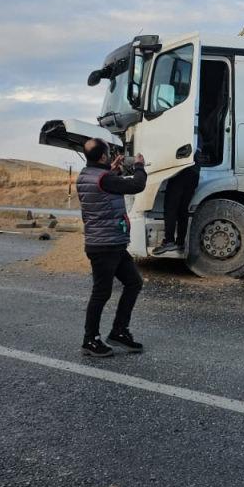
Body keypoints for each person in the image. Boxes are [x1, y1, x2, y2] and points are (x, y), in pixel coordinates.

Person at [77, 138, 147, 358]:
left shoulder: (85, 175)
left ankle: (119, 332)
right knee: (101, 292)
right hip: (105, 245)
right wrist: (139, 166)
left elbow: (104, 187)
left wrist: (112, 170)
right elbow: (136, 185)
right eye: (108, 154)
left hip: (109, 243)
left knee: (133, 282)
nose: (110, 157)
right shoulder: (105, 178)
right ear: (102, 157)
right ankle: (90, 340)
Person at [151, 162, 200, 256]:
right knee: (183, 210)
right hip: (194, 173)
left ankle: (169, 241)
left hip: (180, 171)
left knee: (170, 208)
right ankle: (180, 243)